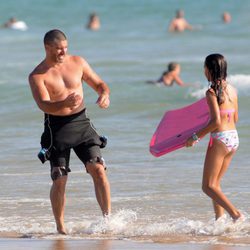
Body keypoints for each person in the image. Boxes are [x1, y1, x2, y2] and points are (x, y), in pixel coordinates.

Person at [29, 29, 111, 234]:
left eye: (65, 48)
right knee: (60, 178)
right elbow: (44, 105)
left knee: (98, 169)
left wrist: (104, 94)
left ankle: (108, 221)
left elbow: (99, 83)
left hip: (82, 123)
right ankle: (60, 227)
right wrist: (64, 102)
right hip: (56, 128)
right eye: (58, 49)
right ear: (47, 48)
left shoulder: (78, 62)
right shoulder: (37, 75)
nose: (63, 52)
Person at [186, 54, 241, 221]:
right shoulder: (232, 89)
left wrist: (195, 137)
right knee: (215, 184)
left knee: (208, 186)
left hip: (220, 139)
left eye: (204, 67)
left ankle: (236, 215)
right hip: (234, 138)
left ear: (209, 70)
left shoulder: (211, 92)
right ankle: (219, 221)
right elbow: (235, 117)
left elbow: (216, 122)